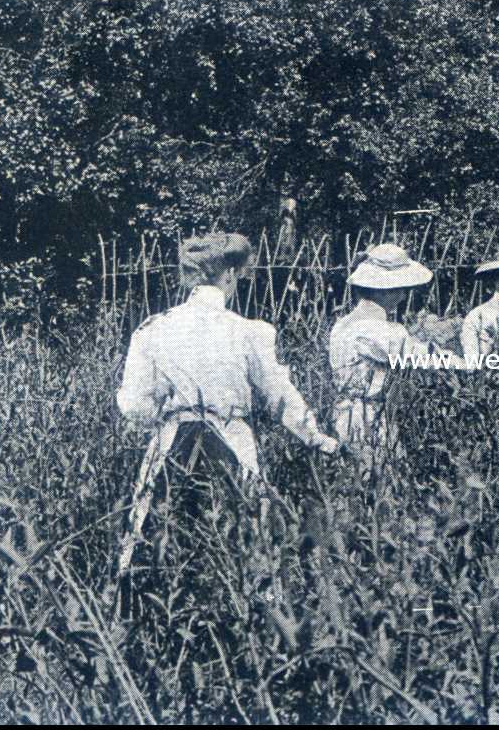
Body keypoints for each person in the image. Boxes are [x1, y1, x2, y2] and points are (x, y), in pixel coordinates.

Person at [112, 232, 338, 709]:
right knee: (250, 540)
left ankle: (144, 648)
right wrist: (315, 437)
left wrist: (170, 411)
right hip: (231, 439)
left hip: (171, 443)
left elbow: (133, 407)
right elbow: (279, 397)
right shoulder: (248, 332)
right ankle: (258, 653)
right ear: (231, 274)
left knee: (152, 538)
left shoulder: (154, 330)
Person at [328, 243, 459, 457]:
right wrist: (468, 362)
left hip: (344, 412)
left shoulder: (343, 324)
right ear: (386, 291)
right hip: (368, 419)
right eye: (401, 289)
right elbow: (419, 356)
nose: (404, 296)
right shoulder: (378, 329)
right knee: (378, 469)